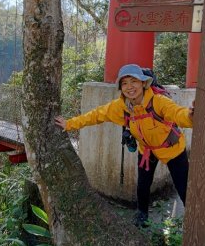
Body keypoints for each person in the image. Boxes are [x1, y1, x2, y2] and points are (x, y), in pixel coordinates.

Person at [54, 63, 194, 227]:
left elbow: (177, 113)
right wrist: (69, 124)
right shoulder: (121, 107)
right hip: (147, 151)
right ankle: (142, 215)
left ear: (143, 83)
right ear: (120, 87)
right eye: (124, 83)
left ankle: (194, 219)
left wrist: (191, 115)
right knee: (143, 184)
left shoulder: (158, 101)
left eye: (133, 81)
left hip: (172, 148)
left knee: (183, 186)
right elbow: (96, 115)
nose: (130, 87)